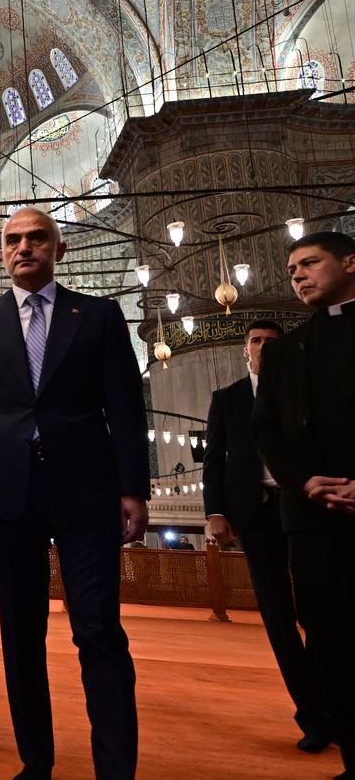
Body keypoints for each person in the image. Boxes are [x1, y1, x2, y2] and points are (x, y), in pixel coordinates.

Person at [0, 208, 149, 780]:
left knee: (98, 630)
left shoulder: (100, 315)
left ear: (60, 249)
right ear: (1, 252)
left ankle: (116, 769)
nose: (24, 247)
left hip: (88, 490)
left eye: (37, 238)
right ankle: (37, 763)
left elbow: (125, 408)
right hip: (9, 493)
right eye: (13, 240)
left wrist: (134, 488)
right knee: (20, 632)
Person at [253, 230, 355, 779]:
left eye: (310, 262)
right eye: (292, 268)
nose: (297, 274)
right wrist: (304, 482)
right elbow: (265, 431)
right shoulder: (285, 350)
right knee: (331, 644)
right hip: (312, 522)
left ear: (350, 262)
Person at [203, 318, 330, 753]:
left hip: (306, 509)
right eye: (255, 341)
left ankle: (332, 704)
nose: (262, 347)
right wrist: (216, 512)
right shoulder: (228, 398)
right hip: (252, 515)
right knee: (277, 618)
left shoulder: (305, 389)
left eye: (270, 342)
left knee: (317, 612)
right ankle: (313, 715)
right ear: (245, 350)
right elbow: (214, 461)